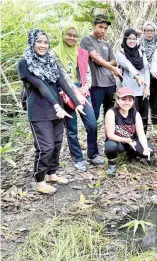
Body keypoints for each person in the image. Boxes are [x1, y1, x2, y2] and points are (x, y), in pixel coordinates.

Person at [17, 29, 85, 194]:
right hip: (39, 111)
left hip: (57, 110)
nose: (42, 45)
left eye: (45, 42)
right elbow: (40, 86)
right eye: (39, 42)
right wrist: (56, 106)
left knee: (56, 144)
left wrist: (77, 104)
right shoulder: (24, 62)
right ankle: (40, 180)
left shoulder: (50, 60)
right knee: (45, 147)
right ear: (32, 42)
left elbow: (63, 82)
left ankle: (51, 174)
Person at [50, 24, 104, 171]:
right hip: (65, 91)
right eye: (69, 34)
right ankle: (77, 158)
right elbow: (62, 76)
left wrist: (86, 86)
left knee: (92, 123)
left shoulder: (82, 52)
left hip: (82, 89)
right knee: (72, 127)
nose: (72, 38)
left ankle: (93, 155)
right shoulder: (54, 53)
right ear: (63, 35)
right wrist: (76, 94)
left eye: (74, 35)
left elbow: (87, 72)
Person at [80, 14, 121, 121]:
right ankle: (93, 138)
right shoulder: (86, 40)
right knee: (94, 116)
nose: (103, 30)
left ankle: (109, 137)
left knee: (110, 115)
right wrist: (112, 68)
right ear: (94, 26)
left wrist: (102, 62)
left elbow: (114, 61)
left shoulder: (106, 44)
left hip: (111, 84)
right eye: (100, 27)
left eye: (105, 28)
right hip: (96, 85)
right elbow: (97, 59)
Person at [104, 87, 154, 175]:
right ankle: (112, 164)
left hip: (132, 142)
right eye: (123, 99)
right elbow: (110, 135)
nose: (127, 103)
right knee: (110, 146)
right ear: (117, 100)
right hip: (118, 142)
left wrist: (145, 147)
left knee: (150, 151)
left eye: (130, 100)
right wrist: (126, 140)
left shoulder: (135, 114)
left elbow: (141, 134)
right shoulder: (111, 113)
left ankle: (131, 155)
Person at [116, 28, 150, 132]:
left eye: (134, 39)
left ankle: (143, 138)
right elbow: (128, 66)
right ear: (125, 39)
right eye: (129, 38)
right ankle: (132, 137)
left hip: (143, 89)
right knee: (132, 114)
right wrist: (137, 76)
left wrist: (147, 86)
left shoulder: (140, 52)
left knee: (144, 115)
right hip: (129, 90)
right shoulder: (120, 53)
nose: (132, 41)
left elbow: (146, 68)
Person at [139, 21, 157, 134]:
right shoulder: (139, 43)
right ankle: (143, 128)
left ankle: (155, 126)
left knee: (154, 102)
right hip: (142, 75)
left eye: (151, 30)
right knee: (144, 102)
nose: (149, 33)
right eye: (146, 31)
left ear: (154, 31)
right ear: (143, 32)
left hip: (156, 76)